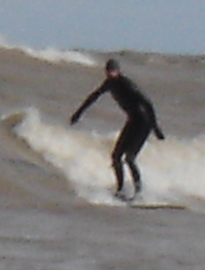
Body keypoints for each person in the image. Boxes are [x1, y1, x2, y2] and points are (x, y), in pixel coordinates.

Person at [70, 58, 165, 198]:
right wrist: (78, 113)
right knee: (115, 157)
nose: (110, 74)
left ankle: (139, 193)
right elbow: (93, 97)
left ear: (118, 71)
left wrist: (155, 126)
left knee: (130, 158)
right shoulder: (109, 84)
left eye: (112, 71)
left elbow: (147, 102)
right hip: (133, 121)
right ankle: (120, 190)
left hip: (144, 122)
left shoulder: (126, 84)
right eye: (108, 71)